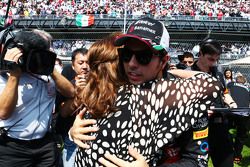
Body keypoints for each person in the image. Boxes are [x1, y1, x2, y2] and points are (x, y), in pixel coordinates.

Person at [68, 17, 222, 167]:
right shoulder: (116, 87)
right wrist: (74, 132)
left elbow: (197, 160)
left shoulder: (188, 95)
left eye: (144, 57)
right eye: (126, 55)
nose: (132, 64)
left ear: (163, 60)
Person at [0, 29, 75, 166]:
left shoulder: (48, 74)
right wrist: (14, 75)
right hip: (13, 147)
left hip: (45, 144)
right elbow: (3, 113)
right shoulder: (5, 76)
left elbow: (71, 92)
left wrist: (48, 65)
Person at [191, 38, 236, 167]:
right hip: (198, 129)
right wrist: (200, 109)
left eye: (217, 59)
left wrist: (233, 105)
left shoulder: (218, 74)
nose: (214, 63)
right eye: (211, 59)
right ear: (200, 54)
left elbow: (225, 93)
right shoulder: (188, 74)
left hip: (220, 127)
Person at [56, 48, 89, 167]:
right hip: (71, 139)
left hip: (93, 139)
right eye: (81, 63)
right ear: (73, 65)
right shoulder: (66, 84)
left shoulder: (100, 84)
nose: (85, 66)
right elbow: (63, 113)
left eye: (88, 62)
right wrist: (78, 94)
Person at [227, 74, 250, 164]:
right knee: (241, 136)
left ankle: (229, 148)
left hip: (231, 111)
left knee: (224, 131)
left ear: (236, 81)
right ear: (245, 82)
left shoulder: (231, 84)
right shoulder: (247, 89)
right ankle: (236, 156)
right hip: (245, 113)